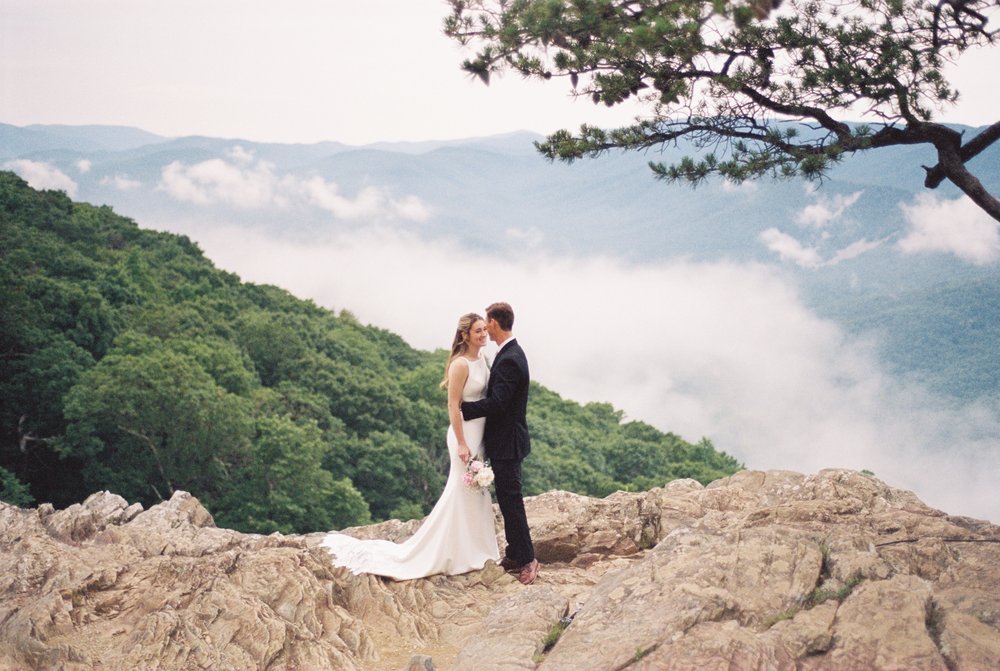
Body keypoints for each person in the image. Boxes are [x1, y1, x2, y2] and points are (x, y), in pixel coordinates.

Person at [320, 313, 500, 580]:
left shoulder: (482, 359)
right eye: (478, 331)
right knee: (462, 490)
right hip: (464, 434)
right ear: (465, 335)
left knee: (477, 492)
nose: (484, 334)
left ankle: (477, 549)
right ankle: (452, 551)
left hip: (480, 433)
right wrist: (462, 442)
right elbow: (453, 406)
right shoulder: (460, 364)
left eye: (485, 330)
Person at [461, 302, 538, 585]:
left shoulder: (509, 359)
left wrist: (463, 410)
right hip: (507, 440)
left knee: (512, 502)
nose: (485, 328)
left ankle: (528, 559)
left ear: (494, 323)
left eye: (487, 323)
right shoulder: (510, 353)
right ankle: (516, 553)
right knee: (507, 501)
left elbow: (498, 403)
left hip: (508, 443)